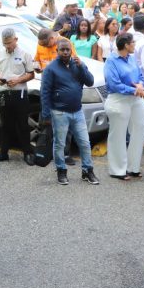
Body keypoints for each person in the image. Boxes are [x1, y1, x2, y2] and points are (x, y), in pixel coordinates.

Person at [40, 39, 101, 186]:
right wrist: (46, 114)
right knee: (60, 144)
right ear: (57, 51)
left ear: (72, 50)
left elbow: (90, 81)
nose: (66, 52)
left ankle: (87, 171)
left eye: (68, 49)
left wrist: (81, 67)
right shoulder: (51, 68)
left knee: (85, 143)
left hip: (77, 111)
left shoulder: (78, 64)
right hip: (59, 112)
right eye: (62, 50)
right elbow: (45, 92)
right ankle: (61, 170)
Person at [104, 34, 144, 180]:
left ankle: (133, 167)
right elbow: (113, 84)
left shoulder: (131, 57)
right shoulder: (111, 61)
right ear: (125, 45)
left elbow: (140, 76)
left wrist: (140, 85)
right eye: (132, 42)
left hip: (136, 98)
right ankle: (118, 170)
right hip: (119, 99)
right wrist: (135, 90)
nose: (134, 44)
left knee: (140, 127)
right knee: (118, 134)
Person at [0, 28, 34, 165]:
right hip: (4, 93)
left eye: (9, 43)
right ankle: (3, 153)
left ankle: (27, 153)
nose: (7, 46)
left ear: (15, 40)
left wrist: (18, 80)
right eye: (5, 44)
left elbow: (31, 74)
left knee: (22, 125)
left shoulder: (25, 54)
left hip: (19, 94)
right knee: (5, 125)